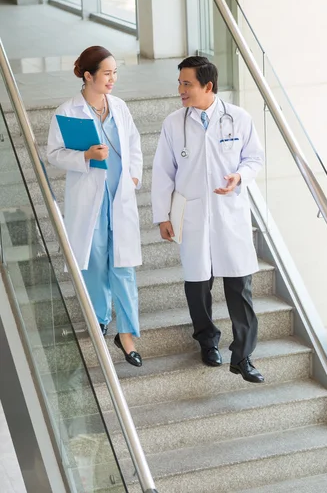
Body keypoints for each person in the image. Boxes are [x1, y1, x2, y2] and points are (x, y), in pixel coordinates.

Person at [151, 56, 265, 383]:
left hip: (229, 213)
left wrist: (240, 176)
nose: (181, 90)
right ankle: (207, 340)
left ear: (208, 86)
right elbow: (162, 173)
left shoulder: (238, 119)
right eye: (180, 83)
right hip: (192, 214)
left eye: (187, 84)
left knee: (239, 285)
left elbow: (254, 158)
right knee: (197, 284)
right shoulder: (174, 123)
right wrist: (162, 217)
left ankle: (242, 356)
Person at [47, 46, 143, 367]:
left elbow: (134, 144)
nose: (113, 79)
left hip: (119, 196)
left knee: (124, 265)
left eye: (115, 72)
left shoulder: (119, 107)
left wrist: (133, 178)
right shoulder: (68, 111)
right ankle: (100, 319)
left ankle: (127, 334)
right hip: (91, 199)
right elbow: (54, 154)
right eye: (107, 73)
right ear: (88, 76)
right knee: (96, 261)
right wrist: (86, 156)